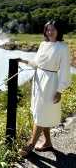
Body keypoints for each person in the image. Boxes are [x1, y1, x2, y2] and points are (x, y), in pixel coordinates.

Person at [17, 20, 71, 157]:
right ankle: (47, 142)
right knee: (41, 111)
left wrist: (60, 90)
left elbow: (65, 70)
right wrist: (23, 61)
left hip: (51, 82)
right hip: (38, 81)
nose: (50, 32)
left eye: (53, 29)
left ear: (59, 31)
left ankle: (30, 145)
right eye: (47, 29)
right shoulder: (43, 44)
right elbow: (37, 63)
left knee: (41, 113)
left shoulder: (63, 47)